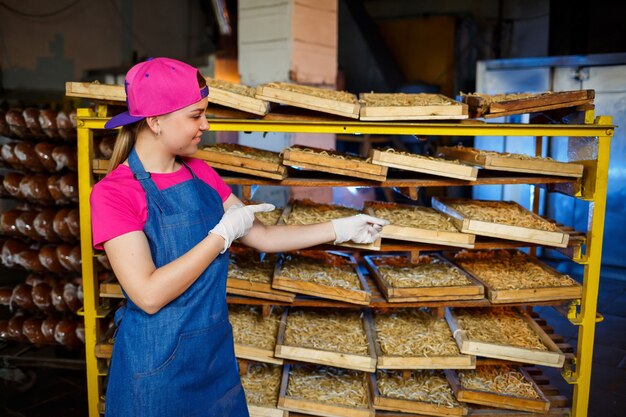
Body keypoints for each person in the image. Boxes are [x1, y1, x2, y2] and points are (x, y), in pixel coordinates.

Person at [90, 57, 388, 417]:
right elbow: (149, 295)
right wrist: (220, 236)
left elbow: (263, 237)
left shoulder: (199, 172)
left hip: (213, 356)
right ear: (154, 121)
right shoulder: (114, 193)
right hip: (156, 365)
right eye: (195, 115)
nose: (206, 124)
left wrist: (340, 229)